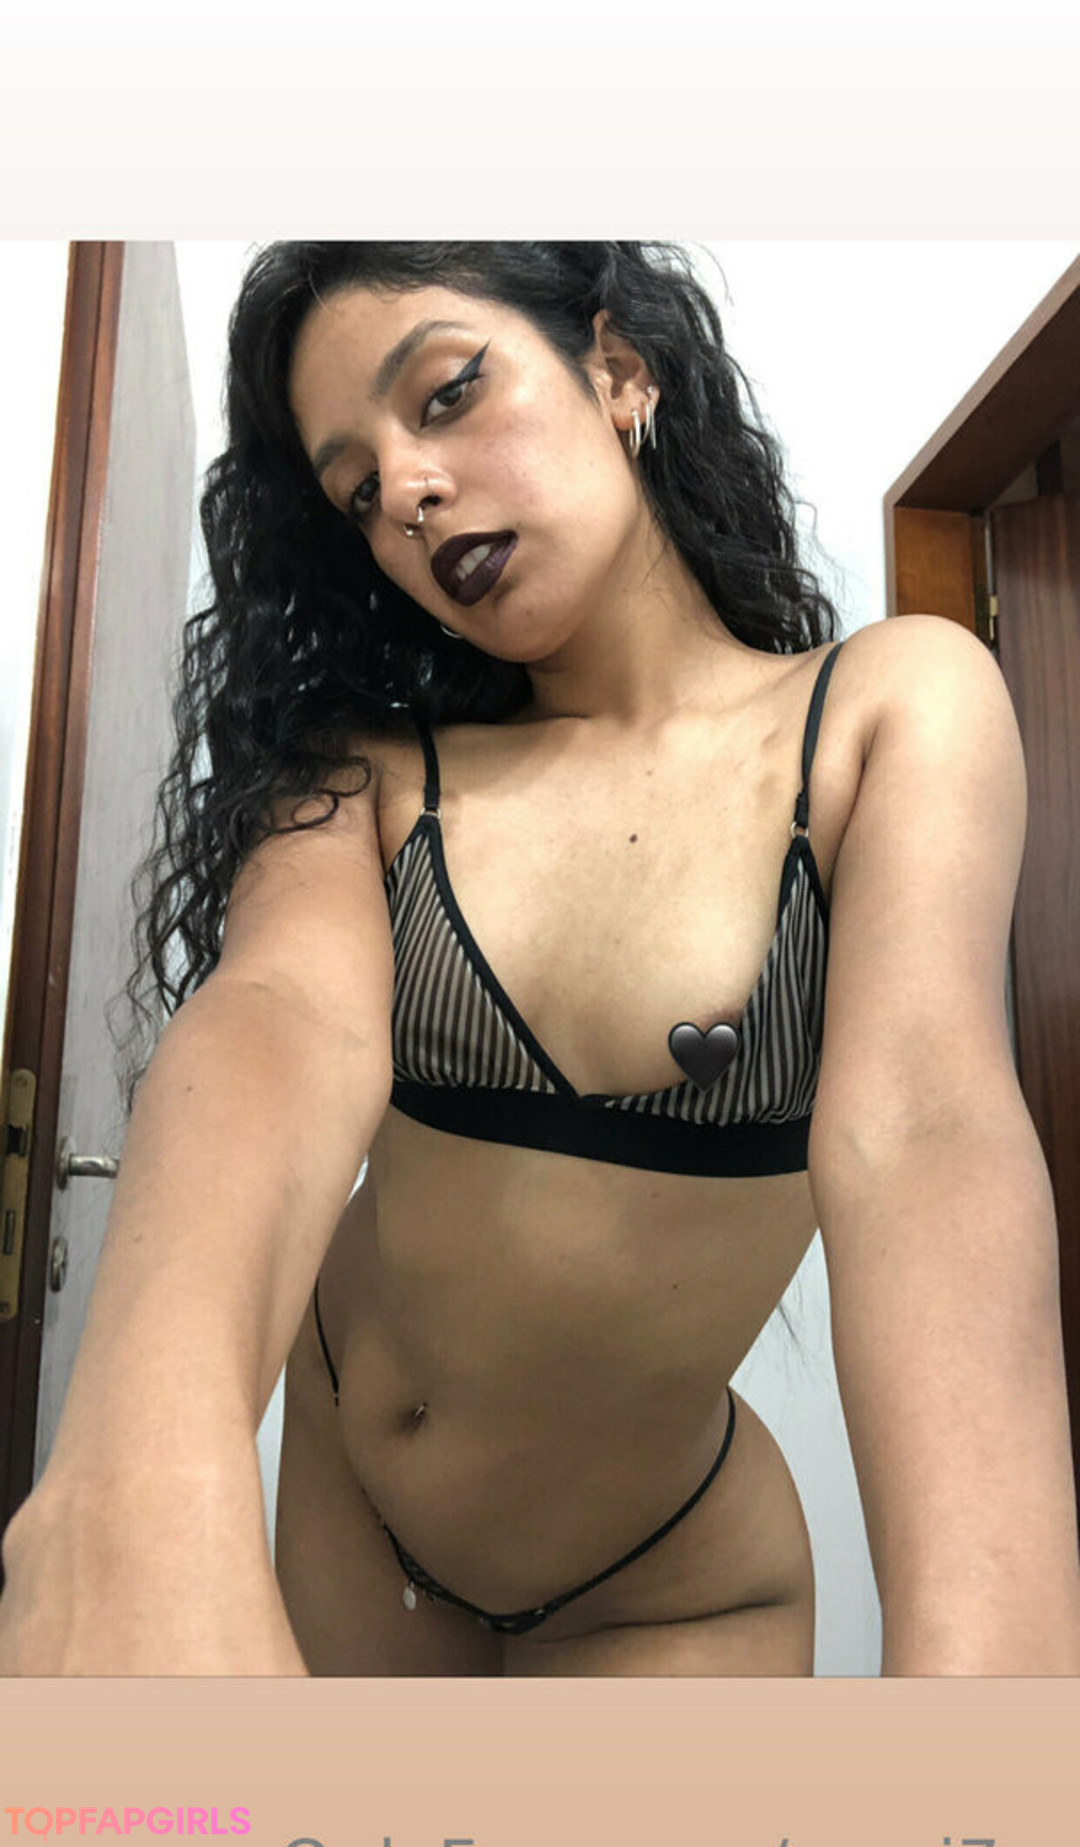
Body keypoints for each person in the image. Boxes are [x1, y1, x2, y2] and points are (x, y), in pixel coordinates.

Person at [2, 242, 1078, 1677]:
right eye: (355, 489)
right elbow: (277, 1019)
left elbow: (927, 1131)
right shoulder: (371, 774)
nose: (406, 490)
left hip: (672, 1581)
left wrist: (997, 1661)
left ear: (618, 371)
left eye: (446, 394)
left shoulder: (884, 711)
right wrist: (135, 1474)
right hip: (352, 1505)